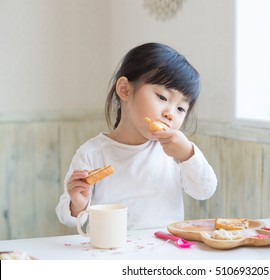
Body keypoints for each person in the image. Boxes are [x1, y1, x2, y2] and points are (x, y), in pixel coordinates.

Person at [56, 42, 217, 230]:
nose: (170, 114)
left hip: (165, 251)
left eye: (181, 108)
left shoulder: (175, 152)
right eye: (163, 97)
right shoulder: (92, 153)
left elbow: (205, 190)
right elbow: (68, 219)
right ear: (125, 89)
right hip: (111, 252)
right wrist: (78, 204)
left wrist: (188, 154)